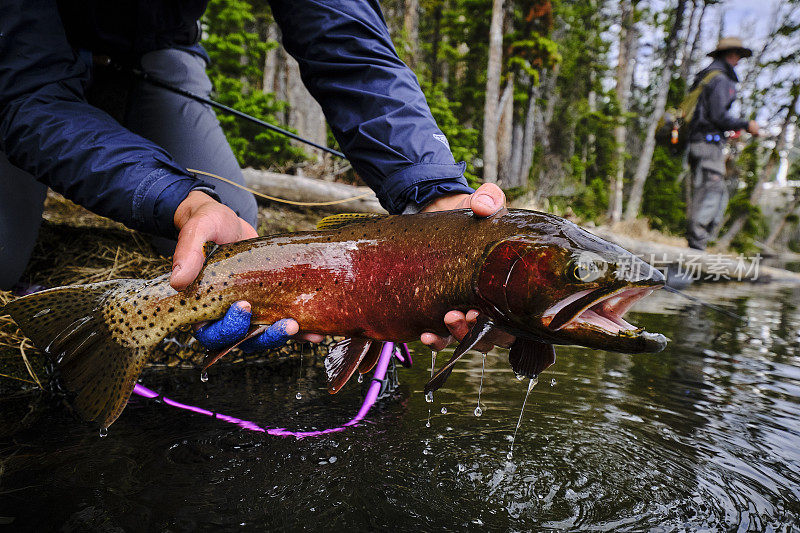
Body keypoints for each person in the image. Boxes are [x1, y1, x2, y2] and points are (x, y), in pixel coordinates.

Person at [0, 1, 513, 355]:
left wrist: (435, 191)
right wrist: (174, 197)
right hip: (18, 68)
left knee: (233, 231)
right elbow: (27, 92)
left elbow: (347, 41)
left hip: (150, 56)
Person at [686, 36, 760, 250]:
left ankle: (698, 242)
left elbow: (707, 116)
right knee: (713, 189)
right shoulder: (721, 79)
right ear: (732, 54)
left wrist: (729, 132)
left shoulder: (707, 76)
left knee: (710, 189)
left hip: (700, 141)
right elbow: (718, 116)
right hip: (707, 145)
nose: (739, 61)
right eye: (738, 56)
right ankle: (697, 246)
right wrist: (747, 124)